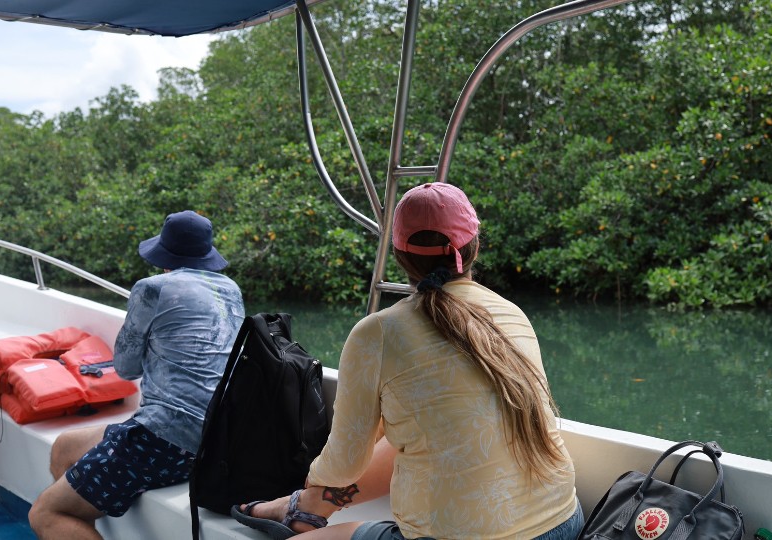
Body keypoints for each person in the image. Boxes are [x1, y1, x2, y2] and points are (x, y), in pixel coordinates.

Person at [232, 183, 582, 540]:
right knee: (416, 426)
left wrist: (316, 477)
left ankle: (303, 505)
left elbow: (343, 465)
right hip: (564, 522)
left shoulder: (377, 333)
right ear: (474, 247)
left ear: (399, 256)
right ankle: (307, 507)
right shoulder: (512, 313)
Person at [29, 210, 246, 540]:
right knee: (64, 447)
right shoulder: (230, 289)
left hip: (165, 441)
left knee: (45, 513)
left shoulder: (152, 288)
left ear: (165, 256)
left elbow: (126, 368)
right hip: (218, 441)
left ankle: (67, 518)